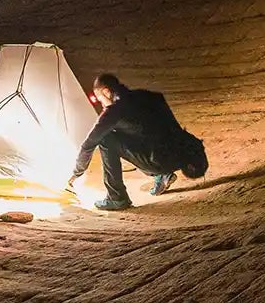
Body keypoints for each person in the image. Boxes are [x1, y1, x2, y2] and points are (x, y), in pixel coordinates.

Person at [72, 73, 207, 211]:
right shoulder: (148, 96)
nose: (101, 104)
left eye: (100, 99)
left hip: (158, 161)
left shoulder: (114, 112)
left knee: (106, 139)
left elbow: (88, 144)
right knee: (135, 134)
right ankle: (162, 175)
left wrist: (75, 173)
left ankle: (117, 198)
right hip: (179, 154)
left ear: (106, 92)